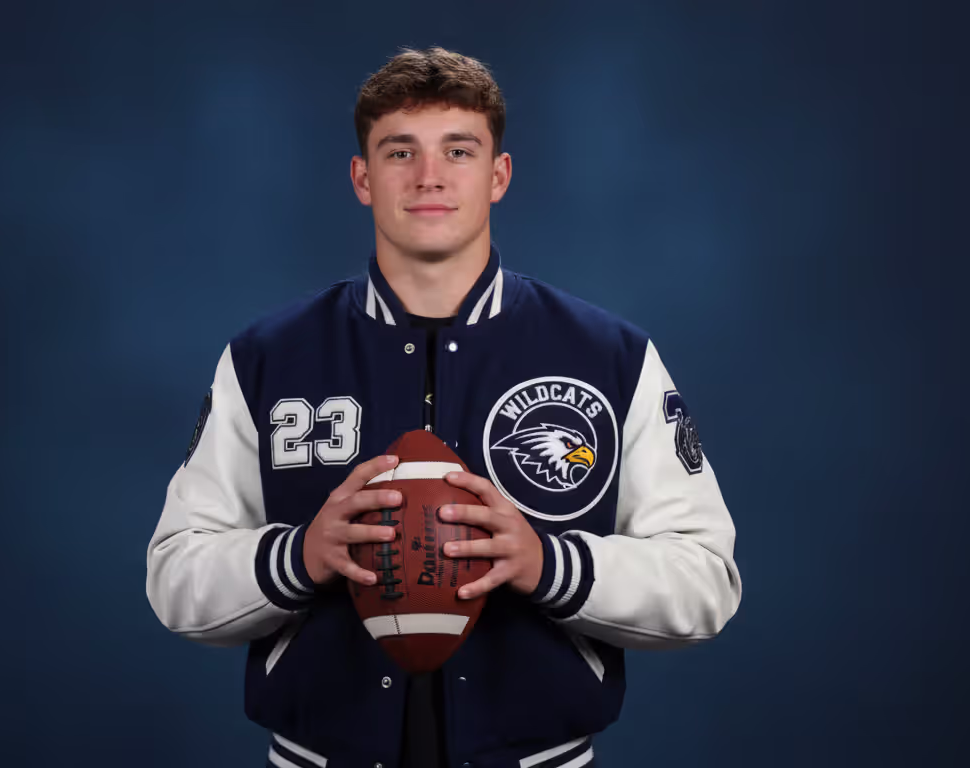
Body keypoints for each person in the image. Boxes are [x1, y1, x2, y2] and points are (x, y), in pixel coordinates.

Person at [145, 46, 741, 768]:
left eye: (458, 150)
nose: (429, 176)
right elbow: (176, 578)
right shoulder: (268, 357)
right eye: (401, 152)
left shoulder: (609, 356)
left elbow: (707, 580)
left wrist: (549, 565)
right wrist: (299, 555)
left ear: (499, 176)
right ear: (363, 178)